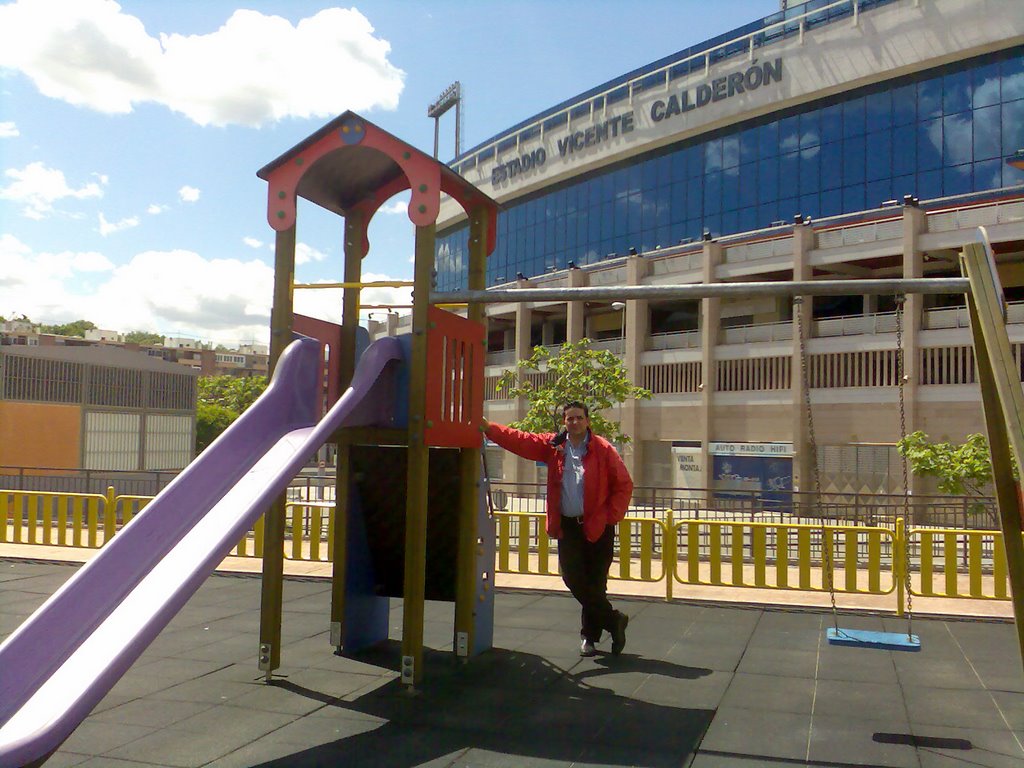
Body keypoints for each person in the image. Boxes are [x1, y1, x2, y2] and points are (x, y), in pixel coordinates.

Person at [482, 401, 634, 657]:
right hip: (568, 526)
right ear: (564, 422)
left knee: (595, 584)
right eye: (569, 418)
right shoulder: (554, 447)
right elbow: (521, 440)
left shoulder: (603, 449)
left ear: (587, 421)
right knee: (573, 578)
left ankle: (589, 638)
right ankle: (613, 620)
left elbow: (624, 484)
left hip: (598, 526)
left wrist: (610, 516)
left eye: (578, 418)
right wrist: (489, 428)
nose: (573, 422)